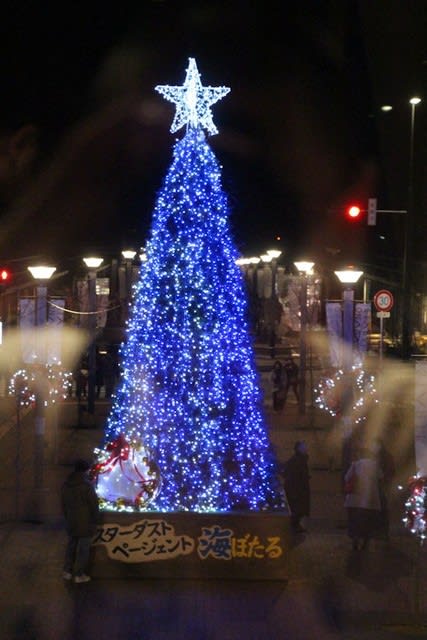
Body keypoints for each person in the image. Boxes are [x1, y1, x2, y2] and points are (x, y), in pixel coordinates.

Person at [61, 459, 99, 583]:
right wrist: (95, 520)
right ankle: (79, 574)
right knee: (83, 549)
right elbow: (93, 505)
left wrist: (67, 517)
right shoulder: (86, 486)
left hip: (71, 521)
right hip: (85, 522)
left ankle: (67, 571)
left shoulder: (66, 484)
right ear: (86, 470)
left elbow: (63, 504)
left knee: (71, 546)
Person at [343, 446, 383, 551]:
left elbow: (347, 477)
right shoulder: (375, 465)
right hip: (370, 500)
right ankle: (365, 542)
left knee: (355, 521)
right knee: (368, 522)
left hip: (355, 500)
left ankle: (355, 540)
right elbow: (381, 477)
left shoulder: (355, 464)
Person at [282, 440, 311, 533]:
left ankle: (296, 525)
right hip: (296, 489)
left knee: (300, 509)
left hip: (299, 489)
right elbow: (289, 473)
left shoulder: (301, 459)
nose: (306, 449)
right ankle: (293, 526)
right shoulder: (296, 460)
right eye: (303, 447)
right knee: (297, 508)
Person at [372, 437, 395, 539]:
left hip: (382, 485)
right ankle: (382, 531)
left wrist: (383, 476)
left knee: (381, 507)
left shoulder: (381, 456)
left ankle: (382, 531)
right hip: (382, 484)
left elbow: (390, 471)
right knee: (382, 508)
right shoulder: (383, 455)